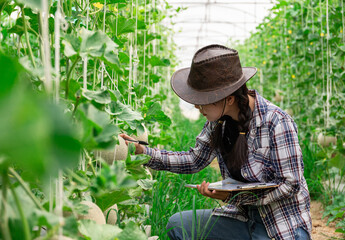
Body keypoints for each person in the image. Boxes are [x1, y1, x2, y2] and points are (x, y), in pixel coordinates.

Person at [120, 44, 312, 240]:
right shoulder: (217, 123)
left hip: (280, 226)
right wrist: (142, 151)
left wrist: (233, 197)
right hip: (242, 220)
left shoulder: (276, 121)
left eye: (202, 100)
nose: (196, 105)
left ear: (228, 99)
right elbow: (193, 160)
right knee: (178, 225)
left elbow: (291, 184)